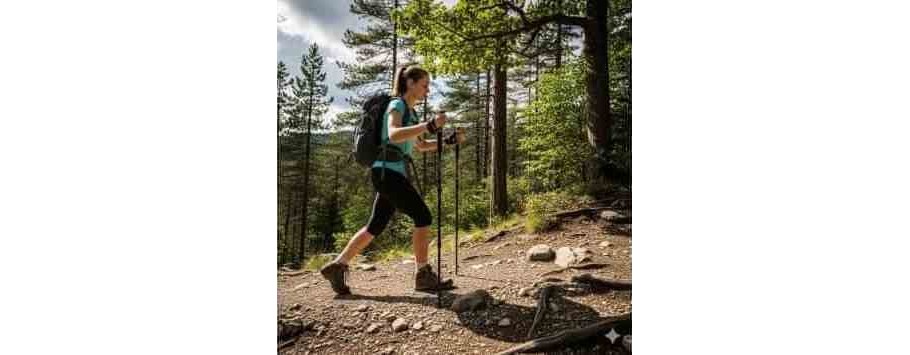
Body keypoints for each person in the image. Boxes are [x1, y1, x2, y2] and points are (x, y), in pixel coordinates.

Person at [320, 65, 466, 295]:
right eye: (424, 85)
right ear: (410, 83)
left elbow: (420, 145)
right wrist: (429, 125)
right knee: (422, 216)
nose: (427, 90)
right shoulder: (396, 104)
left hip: (392, 172)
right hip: (386, 173)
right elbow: (394, 133)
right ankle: (423, 274)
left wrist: (448, 141)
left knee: (374, 226)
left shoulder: (413, 113)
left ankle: (337, 266)